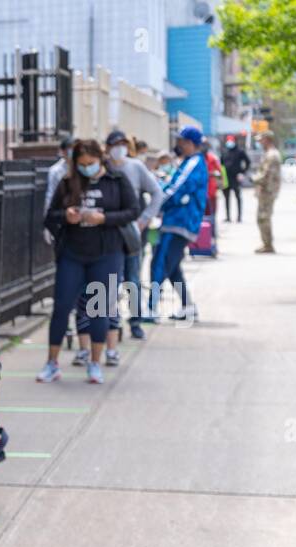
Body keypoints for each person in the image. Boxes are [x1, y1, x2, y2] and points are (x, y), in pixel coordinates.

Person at [38, 139, 140, 385]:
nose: (86, 168)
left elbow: (133, 210)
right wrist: (67, 216)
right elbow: (49, 217)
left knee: (100, 309)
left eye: (90, 163)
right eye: (81, 164)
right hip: (73, 253)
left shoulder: (117, 181)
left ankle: (95, 363)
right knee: (62, 306)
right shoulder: (67, 183)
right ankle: (52, 362)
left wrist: (103, 218)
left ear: (100, 159)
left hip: (107, 253)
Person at [104, 130, 163, 348]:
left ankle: (135, 321)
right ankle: (112, 322)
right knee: (110, 280)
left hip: (131, 232)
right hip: (108, 232)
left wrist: (144, 220)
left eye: (122, 144)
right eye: (114, 144)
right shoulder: (103, 168)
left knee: (132, 278)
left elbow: (157, 193)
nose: (118, 148)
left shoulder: (135, 167)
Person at [147, 126, 208, 323]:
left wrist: (155, 206)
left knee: (160, 262)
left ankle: (151, 308)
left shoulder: (193, 163)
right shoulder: (190, 162)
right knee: (172, 267)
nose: (178, 144)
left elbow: (175, 189)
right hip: (179, 221)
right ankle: (188, 307)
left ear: (189, 143)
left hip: (179, 222)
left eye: (181, 141)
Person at [253, 131, 283, 254]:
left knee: (263, 218)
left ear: (267, 139)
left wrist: (253, 179)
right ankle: (266, 243)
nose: (260, 142)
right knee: (262, 218)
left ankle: (268, 244)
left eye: (261, 140)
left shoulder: (272, 155)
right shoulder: (269, 154)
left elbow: (267, 175)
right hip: (265, 190)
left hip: (267, 191)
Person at [221, 135, 250, 222]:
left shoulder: (240, 151)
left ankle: (239, 217)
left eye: (231, 140)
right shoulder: (224, 151)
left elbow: (248, 162)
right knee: (226, 198)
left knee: (238, 197)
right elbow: (221, 164)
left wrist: (242, 173)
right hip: (226, 178)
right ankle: (228, 217)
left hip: (236, 177)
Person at [200, 140, 223, 240]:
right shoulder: (195, 159)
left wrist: (213, 175)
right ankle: (200, 240)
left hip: (211, 192)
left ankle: (212, 237)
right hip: (199, 193)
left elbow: (219, 172)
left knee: (211, 216)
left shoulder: (212, 158)